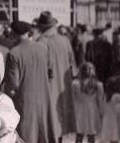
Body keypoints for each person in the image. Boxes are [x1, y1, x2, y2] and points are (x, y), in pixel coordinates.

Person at [4, 21, 56, 143]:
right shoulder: (43, 48)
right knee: (44, 134)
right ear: (28, 32)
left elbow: (13, 83)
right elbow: (51, 72)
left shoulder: (13, 53)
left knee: (26, 135)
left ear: (13, 33)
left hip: (24, 100)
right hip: (44, 98)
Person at [35, 11, 77, 142]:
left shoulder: (40, 42)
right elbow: (73, 66)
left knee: (50, 119)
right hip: (64, 86)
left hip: (49, 86)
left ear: (41, 27)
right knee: (61, 119)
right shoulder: (65, 40)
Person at [72, 62, 104, 143]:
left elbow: (72, 99)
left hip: (79, 112)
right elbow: (100, 101)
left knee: (79, 135)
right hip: (92, 112)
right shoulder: (98, 85)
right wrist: (102, 114)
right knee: (91, 136)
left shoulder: (75, 84)